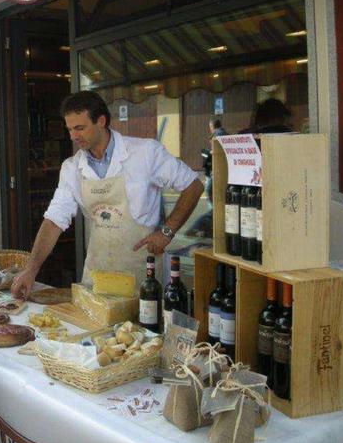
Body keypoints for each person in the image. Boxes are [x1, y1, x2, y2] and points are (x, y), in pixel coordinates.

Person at [11, 91, 203, 297]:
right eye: (69, 129)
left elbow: (193, 186)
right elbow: (54, 221)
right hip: (97, 276)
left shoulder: (146, 152)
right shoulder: (72, 168)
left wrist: (167, 231)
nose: (73, 136)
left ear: (101, 121)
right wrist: (31, 269)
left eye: (80, 128)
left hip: (141, 276)